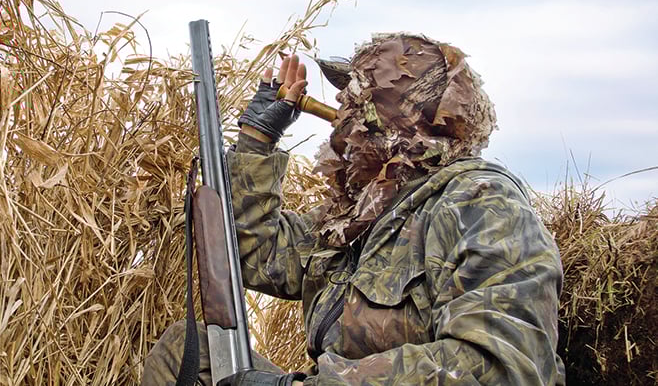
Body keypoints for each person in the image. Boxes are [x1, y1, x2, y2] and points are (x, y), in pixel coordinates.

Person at [142, 33, 565, 385]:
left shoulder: (481, 204)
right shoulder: (365, 214)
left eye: (358, 100)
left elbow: (505, 368)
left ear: (400, 115)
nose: (342, 114)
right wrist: (257, 139)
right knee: (188, 351)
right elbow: (251, 257)